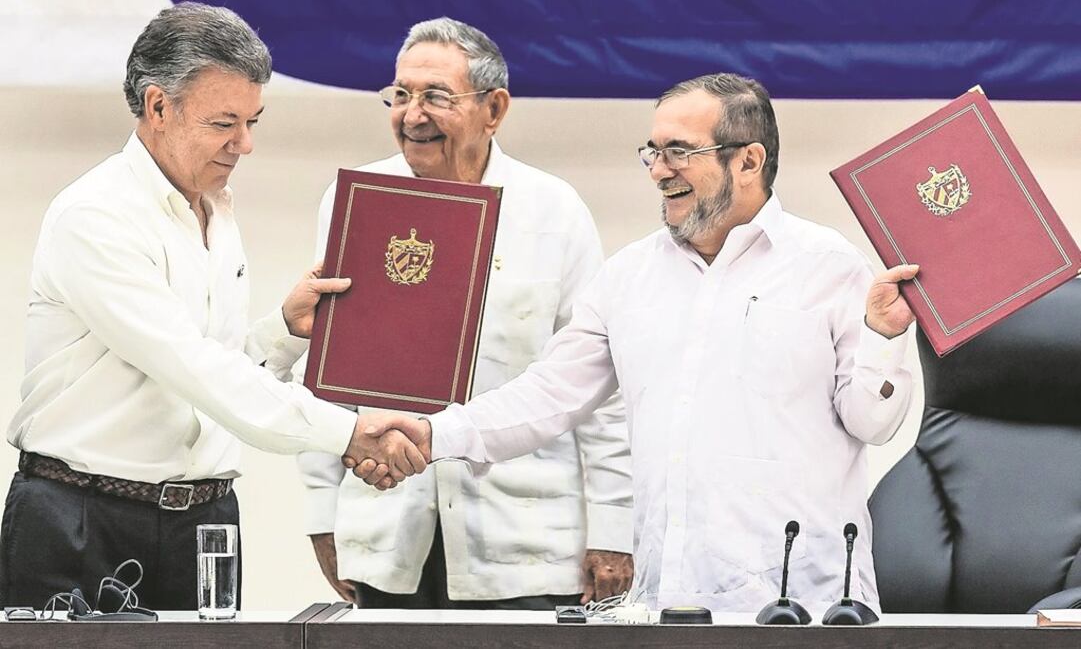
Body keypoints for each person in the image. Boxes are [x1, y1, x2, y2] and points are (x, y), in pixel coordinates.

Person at [356, 73, 920, 613]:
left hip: (803, 603)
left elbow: (873, 423)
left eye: (679, 152)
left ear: (748, 160)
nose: (657, 171)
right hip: (666, 601)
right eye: (651, 152)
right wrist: (433, 434)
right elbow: (549, 395)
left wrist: (885, 338)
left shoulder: (830, 266)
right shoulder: (629, 276)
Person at [0, 2, 422, 611]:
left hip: (202, 521)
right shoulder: (94, 216)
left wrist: (281, 332)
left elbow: (209, 376)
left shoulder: (216, 208)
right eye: (225, 122)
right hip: (85, 522)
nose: (244, 144)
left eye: (253, 120)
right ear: (158, 107)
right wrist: (350, 433)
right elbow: (193, 368)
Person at [297, 17, 634, 610]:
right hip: (387, 534)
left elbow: (599, 388)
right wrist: (323, 512)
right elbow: (321, 370)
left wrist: (612, 529)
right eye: (400, 95)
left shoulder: (554, 210)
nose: (412, 114)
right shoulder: (359, 200)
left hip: (527, 547)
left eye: (436, 97)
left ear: (495, 108)